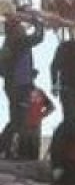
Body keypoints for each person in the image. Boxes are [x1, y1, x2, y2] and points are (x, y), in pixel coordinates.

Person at [0, 12, 45, 158]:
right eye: (20, 26)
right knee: (19, 120)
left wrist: (29, 72)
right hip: (20, 86)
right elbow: (38, 37)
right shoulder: (18, 40)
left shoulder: (10, 42)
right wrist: (36, 21)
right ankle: (4, 147)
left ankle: (7, 149)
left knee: (17, 119)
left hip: (14, 85)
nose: (23, 29)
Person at [17, 72, 53, 160]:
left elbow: (51, 106)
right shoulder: (21, 92)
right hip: (24, 126)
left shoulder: (39, 92)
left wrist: (41, 115)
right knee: (23, 152)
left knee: (33, 153)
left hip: (35, 126)